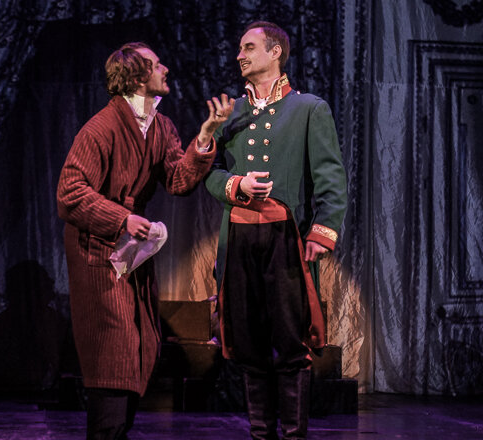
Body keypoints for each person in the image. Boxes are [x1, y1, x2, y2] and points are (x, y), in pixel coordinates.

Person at [57, 42, 234, 440]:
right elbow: (70, 192)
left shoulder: (160, 125)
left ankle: (117, 431)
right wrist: (121, 218)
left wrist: (206, 134)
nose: (165, 69)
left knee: (141, 341)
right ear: (137, 77)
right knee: (112, 346)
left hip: (133, 252)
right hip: (98, 250)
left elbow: (178, 180)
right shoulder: (100, 128)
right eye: (156, 65)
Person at [204, 21, 347, 439]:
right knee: (248, 345)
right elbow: (209, 171)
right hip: (239, 239)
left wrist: (322, 231)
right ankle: (261, 434)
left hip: (285, 239)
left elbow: (330, 177)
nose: (240, 55)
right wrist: (235, 184)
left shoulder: (308, 109)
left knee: (290, 342)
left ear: (275, 52)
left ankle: (294, 435)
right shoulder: (232, 113)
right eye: (239, 48)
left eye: (249, 47)